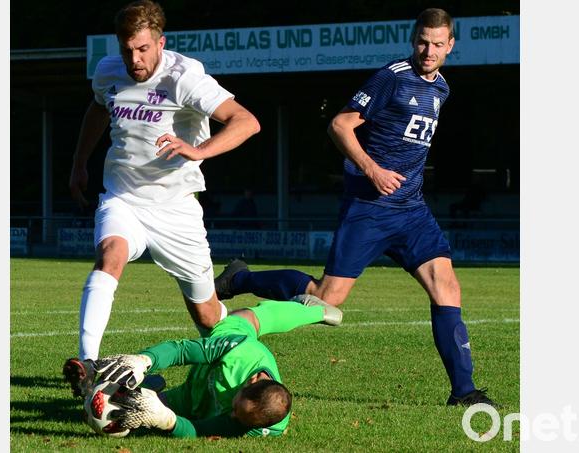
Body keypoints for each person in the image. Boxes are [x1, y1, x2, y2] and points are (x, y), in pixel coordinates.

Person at [213, 8, 496, 407]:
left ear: (450, 45)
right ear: (412, 38)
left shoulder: (442, 88)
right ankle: (241, 279)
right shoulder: (391, 77)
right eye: (422, 41)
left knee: (446, 286)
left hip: (411, 209)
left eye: (436, 44)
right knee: (326, 297)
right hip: (369, 205)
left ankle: (464, 392)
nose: (428, 50)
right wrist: (372, 170)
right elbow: (340, 125)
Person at [63, 0, 262, 396]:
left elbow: (247, 122)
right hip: (123, 196)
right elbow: (99, 109)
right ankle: (87, 366)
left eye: (142, 49)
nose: (134, 59)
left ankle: (255, 304)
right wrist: (79, 162)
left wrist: (198, 151)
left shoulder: (184, 76)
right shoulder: (108, 70)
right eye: (126, 50)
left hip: (175, 207)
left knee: (208, 319)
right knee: (110, 255)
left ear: (160, 42)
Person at [78, 295, 343, 438]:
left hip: (189, 401)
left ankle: (141, 387)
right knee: (241, 319)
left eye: (240, 420)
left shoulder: (266, 426)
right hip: (231, 345)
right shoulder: (239, 351)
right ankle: (311, 309)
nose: (233, 417)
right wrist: (144, 360)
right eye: (236, 409)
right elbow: (183, 350)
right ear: (251, 382)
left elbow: (206, 430)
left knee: (134, 408)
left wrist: (167, 421)